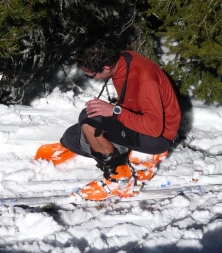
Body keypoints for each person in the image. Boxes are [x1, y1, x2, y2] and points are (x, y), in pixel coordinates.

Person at [60, 39, 181, 201]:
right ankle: (122, 155)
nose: (90, 78)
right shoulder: (123, 60)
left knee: (90, 120)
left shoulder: (146, 79)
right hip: (136, 123)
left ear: (106, 68)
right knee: (71, 138)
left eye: (91, 75)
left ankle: (119, 177)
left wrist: (115, 111)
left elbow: (155, 127)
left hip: (158, 138)